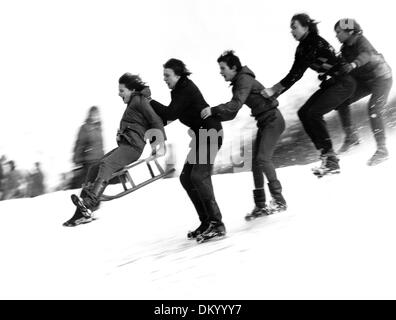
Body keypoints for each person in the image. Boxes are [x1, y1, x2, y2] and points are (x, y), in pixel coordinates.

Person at [63, 73, 166, 227]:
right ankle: (82, 213)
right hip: (126, 145)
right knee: (94, 168)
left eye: (122, 90)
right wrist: (121, 135)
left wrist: (157, 145)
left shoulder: (139, 100)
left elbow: (155, 121)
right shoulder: (133, 103)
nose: (119, 94)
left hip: (133, 148)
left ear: (132, 90)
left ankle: (90, 202)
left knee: (107, 165)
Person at [262, 13, 357, 176]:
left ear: (306, 26)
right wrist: (275, 93)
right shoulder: (303, 47)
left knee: (313, 113)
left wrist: (274, 90)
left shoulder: (312, 42)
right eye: (290, 29)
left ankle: (331, 159)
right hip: (334, 83)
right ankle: (326, 156)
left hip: (344, 83)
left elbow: (296, 74)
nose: (292, 31)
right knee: (304, 113)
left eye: (294, 27)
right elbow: (295, 73)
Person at [201, 51, 286, 220]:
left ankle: (279, 200)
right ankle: (261, 205)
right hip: (264, 122)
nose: (221, 72)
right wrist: (213, 116)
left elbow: (235, 104)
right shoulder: (239, 82)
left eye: (223, 68)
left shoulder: (244, 80)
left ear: (234, 68)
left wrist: (213, 110)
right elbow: (232, 112)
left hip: (273, 120)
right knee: (255, 163)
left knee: (263, 159)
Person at [147, 58, 226, 242]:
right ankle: (207, 221)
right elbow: (168, 117)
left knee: (198, 176)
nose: (164, 79)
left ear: (178, 74)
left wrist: (148, 101)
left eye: (167, 75)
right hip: (201, 136)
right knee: (186, 178)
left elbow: (170, 113)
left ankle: (217, 223)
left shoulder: (185, 88)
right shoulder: (178, 91)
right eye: (163, 76)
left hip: (211, 133)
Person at [334, 18, 393, 165]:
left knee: (374, 109)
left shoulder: (362, 42)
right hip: (365, 82)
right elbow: (342, 66)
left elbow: (365, 55)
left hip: (381, 79)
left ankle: (382, 150)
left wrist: (353, 64)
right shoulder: (344, 49)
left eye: (339, 32)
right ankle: (351, 137)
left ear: (350, 31)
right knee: (341, 101)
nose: (336, 35)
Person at [70, 106, 104, 189]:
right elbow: (79, 144)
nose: (95, 116)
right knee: (89, 183)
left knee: (99, 183)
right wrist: (76, 159)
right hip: (89, 160)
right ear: (89, 115)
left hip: (99, 159)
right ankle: (87, 198)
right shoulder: (85, 127)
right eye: (93, 114)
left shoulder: (98, 127)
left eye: (97, 114)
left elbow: (100, 144)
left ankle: (96, 198)